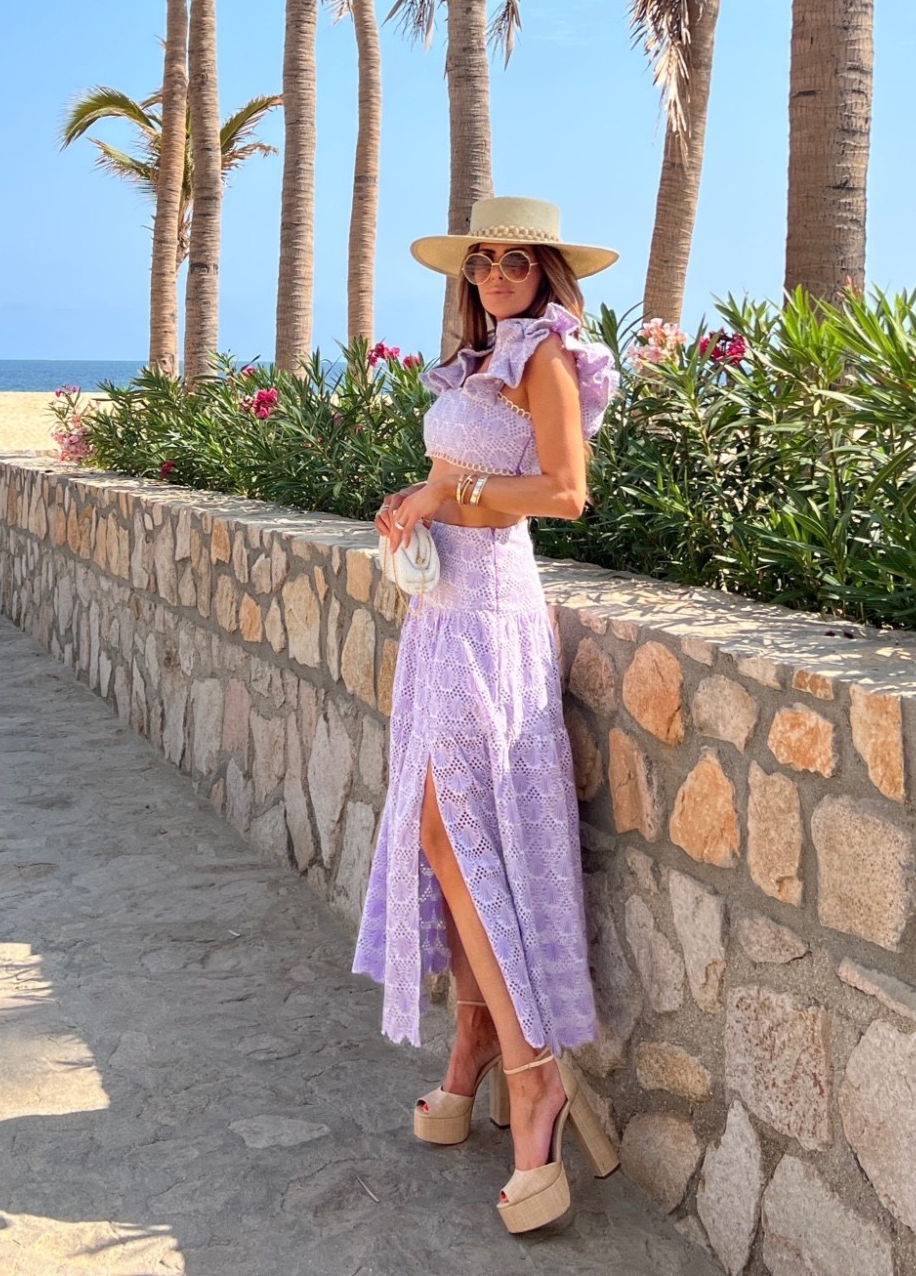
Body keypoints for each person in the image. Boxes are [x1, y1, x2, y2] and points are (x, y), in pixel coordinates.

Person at [353, 195, 622, 1235]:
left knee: (458, 835)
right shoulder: (475, 364)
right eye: (484, 260)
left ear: (546, 270)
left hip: (494, 614)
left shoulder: (549, 358)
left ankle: (533, 1076)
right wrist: (413, 503)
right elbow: (456, 486)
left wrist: (447, 488)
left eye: (517, 259)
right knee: (438, 834)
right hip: (441, 608)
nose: (499, 273)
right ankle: (470, 1055)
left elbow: (564, 492)